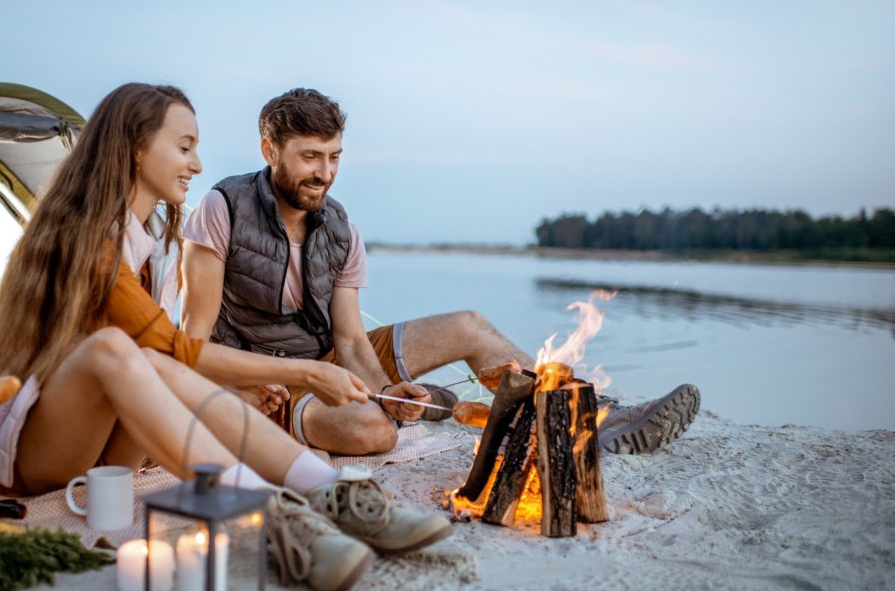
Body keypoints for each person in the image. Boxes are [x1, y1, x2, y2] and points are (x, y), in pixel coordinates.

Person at [0, 83, 452, 591]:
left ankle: (327, 492)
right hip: (39, 455)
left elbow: (168, 358)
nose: (196, 165)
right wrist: (303, 371)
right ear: (135, 147)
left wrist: (256, 381)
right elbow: (175, 346)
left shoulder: (150, 240)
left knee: (148, 359)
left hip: (108, 454)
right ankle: (271, 514)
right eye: (184, 146)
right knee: (119, 349)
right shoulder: (87, 236)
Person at [181, 88, 700, 456]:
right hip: (261, 383)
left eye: (334, 156)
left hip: (332, 359)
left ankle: (589, 417)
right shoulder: (222, 208)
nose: (325, 173)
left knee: (469, 326)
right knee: (373, 435)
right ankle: (367, 415)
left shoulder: (342, 230)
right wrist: (307, 384)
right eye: (310, 157)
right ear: (270, 151)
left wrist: (389, 389)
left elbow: (352, 341)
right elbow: (194, 343)